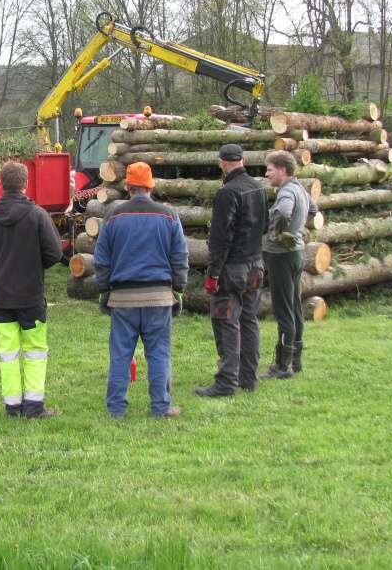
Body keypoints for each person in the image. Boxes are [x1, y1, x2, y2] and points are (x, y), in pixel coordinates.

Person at [94, 162, 189, 418]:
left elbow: (101, 258)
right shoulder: (168, 215)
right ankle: (161, 407)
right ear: (151, 186)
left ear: (128, 186)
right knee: (158, 353)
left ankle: (116, 410)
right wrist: (178, 287)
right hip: (159, 297)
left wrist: (105, 289)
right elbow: (180, 256)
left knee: (120, 355)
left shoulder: (113, 216)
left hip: (122, 298)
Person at [0, 161, 63, 418]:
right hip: (31, 296)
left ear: (0, 183)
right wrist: (35, 266)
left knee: (8, 354)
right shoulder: (37, 215)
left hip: (2, 297)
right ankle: (34, 406)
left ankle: (12, 406)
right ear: (26, 183)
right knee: (35, 352)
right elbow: (55, 253)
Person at [196, 144, 267, 398]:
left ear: (222, 164)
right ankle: (248, 377)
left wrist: (213, 273)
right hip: (256, 264)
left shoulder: (227, 193)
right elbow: (265, 226)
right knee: (249, 320)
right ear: (243, 160)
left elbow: (220, 238)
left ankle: (226, 382)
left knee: (227, 322)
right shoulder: (258, 187)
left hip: (232, 268)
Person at [261, 151, 319, 379]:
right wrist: (299, 228)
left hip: (282, 256)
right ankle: (295, 360)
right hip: (297, 253)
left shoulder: (286, 191)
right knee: (294, 306)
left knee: (284, 309)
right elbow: (312, 209)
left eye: (270, 169)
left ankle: (282, 365)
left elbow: (284, 212)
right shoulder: (300, 190)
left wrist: (277, 232)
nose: (267, 174)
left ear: (283, 170)